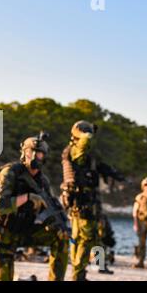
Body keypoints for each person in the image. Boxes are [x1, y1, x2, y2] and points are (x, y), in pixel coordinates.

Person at [0, 134, 69, 281]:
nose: (35, 156)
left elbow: (48, 208)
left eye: (40, 153)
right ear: (24, 153)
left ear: (44, 157)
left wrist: (56, 222)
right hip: (3, 232)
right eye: (31, 152)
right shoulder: (10, 172)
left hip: (24, 230)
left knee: (61, 236)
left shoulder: (43, 181)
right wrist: (27, 198)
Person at [60, 120, 125, 281]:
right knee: (85, 239)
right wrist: (87, 133)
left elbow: (98, 166)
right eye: (87, 132)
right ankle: (78, 275)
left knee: (83, 239)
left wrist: (113, 174)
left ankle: (84, 272)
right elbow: (85, 141)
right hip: (83, 203)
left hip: (86, 203)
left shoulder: (84, 156)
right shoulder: (76, 151)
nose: (90, 136)